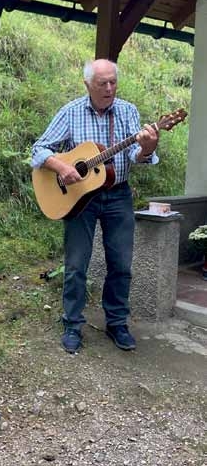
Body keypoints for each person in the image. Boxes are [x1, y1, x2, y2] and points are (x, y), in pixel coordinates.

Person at [31, 59, 159, 354]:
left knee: (122, 264)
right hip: (80, 199)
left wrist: (148, 147)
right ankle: (72, 325)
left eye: (113, 82)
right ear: (87, 84)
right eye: (103, 83)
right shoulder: (71, 111)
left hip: (118, 195)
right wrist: (61, 168)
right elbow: (39, 149)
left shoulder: (127, 111)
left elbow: (135, 156)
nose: (109, 88)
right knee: (76, 265)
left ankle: (117, 323)